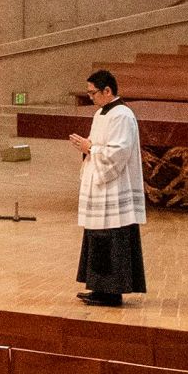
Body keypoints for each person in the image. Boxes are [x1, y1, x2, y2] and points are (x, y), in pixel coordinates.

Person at [71, 69, 146, 306]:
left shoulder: (122, 115)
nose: (90, 97)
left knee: (113, 239)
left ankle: (112, 292)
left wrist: (90, 148)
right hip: (101, 188)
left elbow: (119, 152)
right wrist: (88, 148)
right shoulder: (102, 113)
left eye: (93, 93)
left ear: (107, 91)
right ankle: (100, 288)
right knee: (98, 238)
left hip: (114, 187)